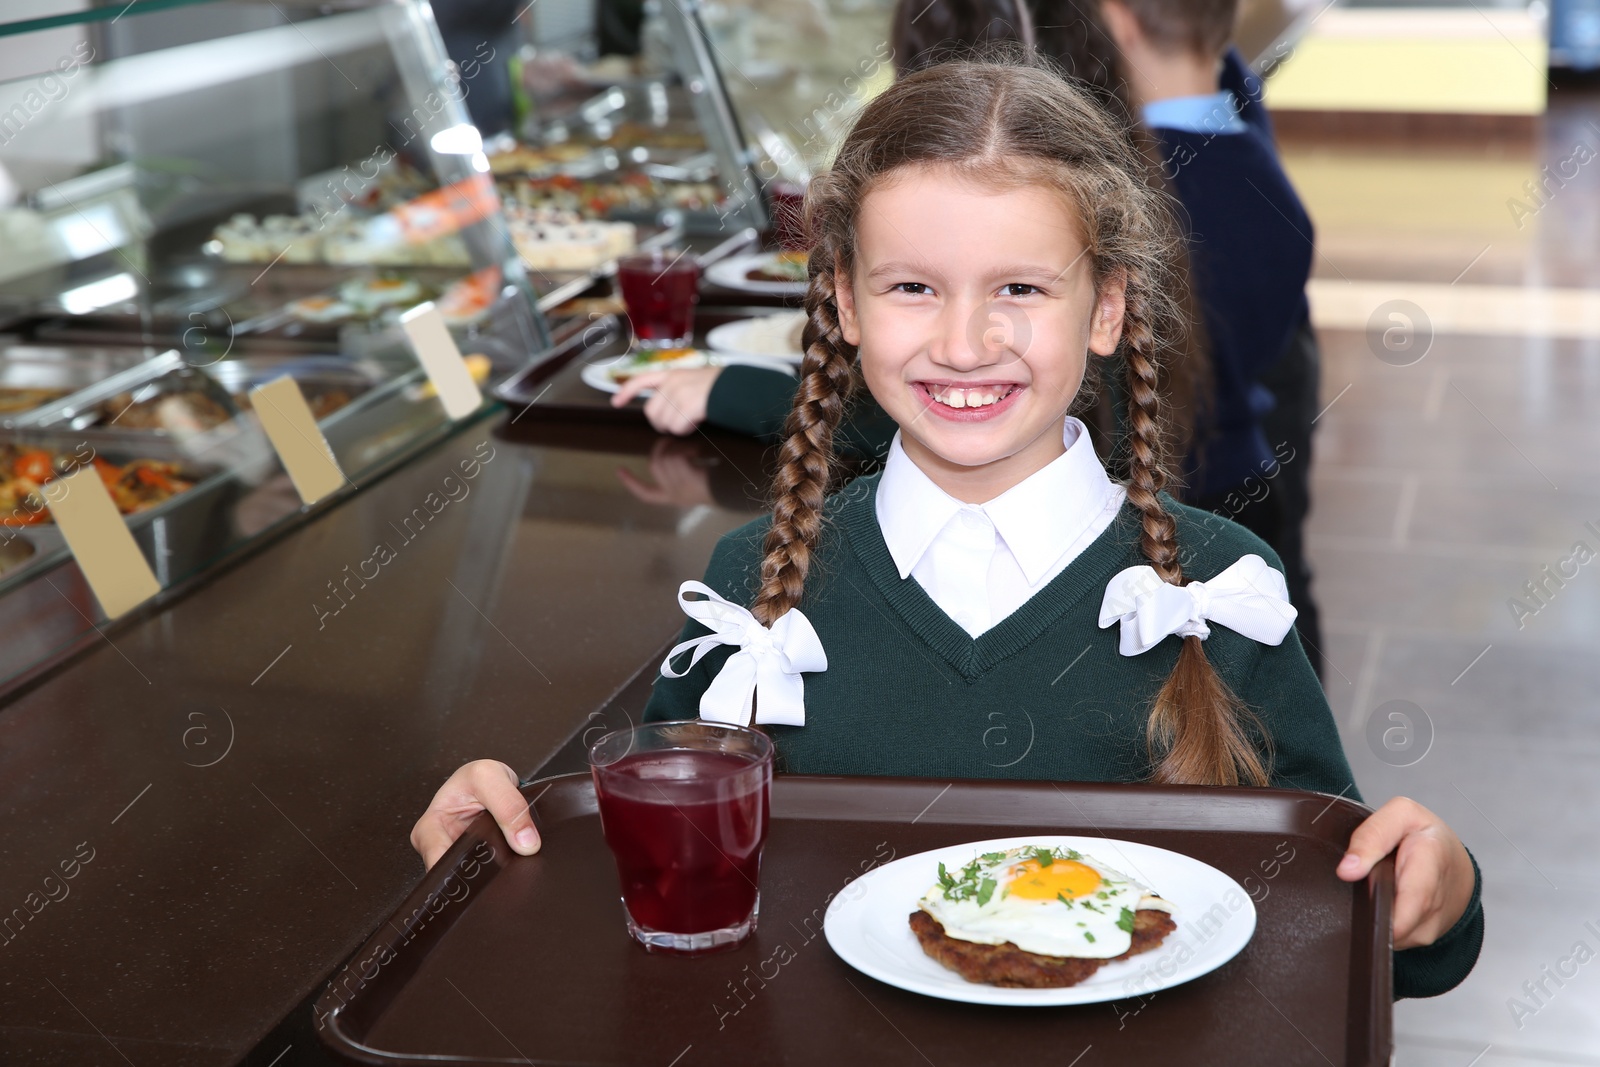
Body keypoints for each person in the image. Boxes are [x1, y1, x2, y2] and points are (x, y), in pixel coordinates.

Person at [413, 60, 1481, 1000]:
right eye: (912, 288)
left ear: (1106, 308)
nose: (965, 342)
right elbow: (650, 877)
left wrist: (1440, 883)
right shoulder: (753, 588)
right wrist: (507, 845)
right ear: (841, 301)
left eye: (1019, 287)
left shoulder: (1217, 588)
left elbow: (1360, 919)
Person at [1097, 0, 1324, 666]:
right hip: (1253, 471)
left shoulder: (1132, 194)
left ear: (1119, 22)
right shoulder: (1267, 176)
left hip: (1166, 487)